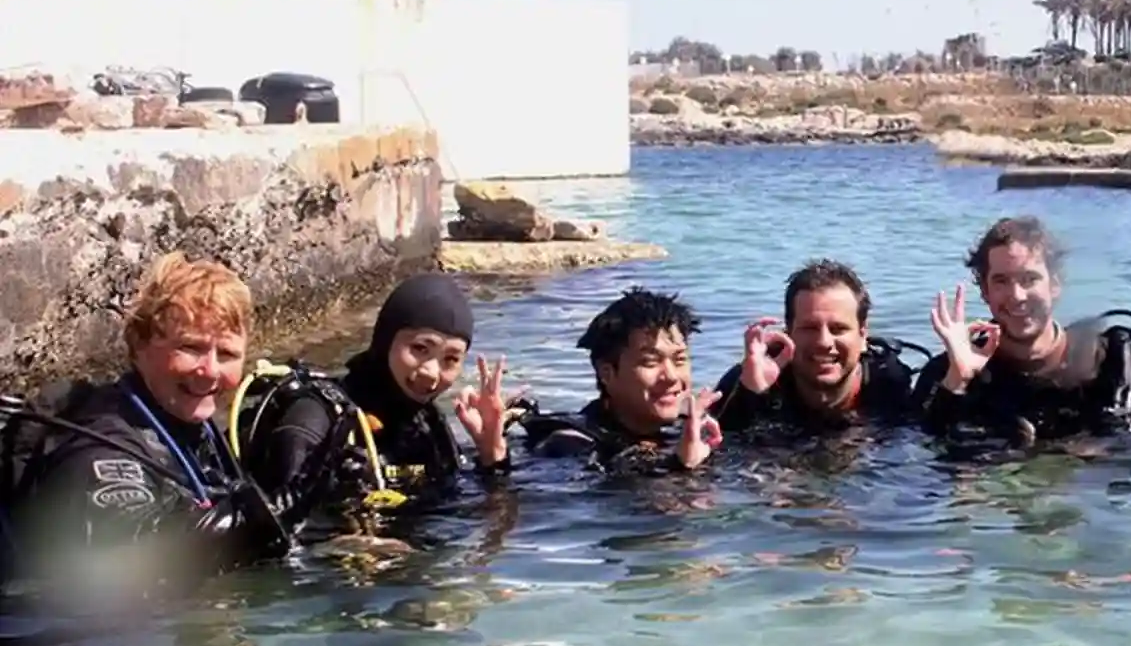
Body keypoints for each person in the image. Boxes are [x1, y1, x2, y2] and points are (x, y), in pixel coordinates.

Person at [1, 253, 286, 597]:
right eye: (190, 347)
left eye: (226, 354)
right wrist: (265, 516)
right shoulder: (98, 447)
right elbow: (136, 550)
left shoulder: (191, 426)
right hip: (81, 642)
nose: (210, 371)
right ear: (139, 344)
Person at [241, 273, 513, 522]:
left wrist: (492, 455)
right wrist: (342, 543)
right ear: (384, 341)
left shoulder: (428, 426)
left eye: (450, 359)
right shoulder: (317, 417)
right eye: (419, 348)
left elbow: (473, 512)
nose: (432, 373)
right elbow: (274, 529)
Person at [912, 216, 1131, 444]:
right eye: (1001, 281)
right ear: (985, 292)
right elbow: (920, 465)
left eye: (1029, 279)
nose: (1017, 296)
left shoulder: (1128, 371)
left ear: (1055, 284)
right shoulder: (946, 374)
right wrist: (958, 380)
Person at [519, 287, 721, 471]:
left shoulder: (690, 428)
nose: (671, 376)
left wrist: (750, 386)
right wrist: (682, 467)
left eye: (679, 360)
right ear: (607, 374)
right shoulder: (570, 443)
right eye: (650, 362)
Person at [712, 259, 925, 434]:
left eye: (838, 328)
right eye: (809, 328)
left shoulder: (887, 383)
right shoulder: (752, 378)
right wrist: (750, 394)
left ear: (862, 335)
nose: (824, 342)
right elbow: (716, 451)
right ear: (788, 332)